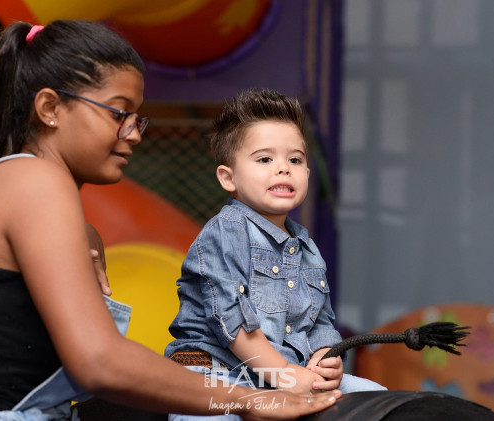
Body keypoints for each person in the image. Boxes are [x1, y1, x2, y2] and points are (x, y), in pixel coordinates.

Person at [0, 21, 341, 420]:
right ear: (50, 108)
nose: (134, 133)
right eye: (118, 113)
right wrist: (247, 398)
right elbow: (98, 361)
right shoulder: (34, 180)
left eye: (137, 118)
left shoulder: (38, 197)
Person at [165, 88, 386, 420]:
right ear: (228, 177)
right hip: (217, 373)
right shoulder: (225, 232)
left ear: (307, 174)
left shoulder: (306, 247)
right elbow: (231, 320)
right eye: (265, 159)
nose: (283, 168)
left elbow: (320, 321)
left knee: (379, 399)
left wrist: (325, 358)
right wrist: (282, 373)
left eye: (295, 160)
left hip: (286, 375)